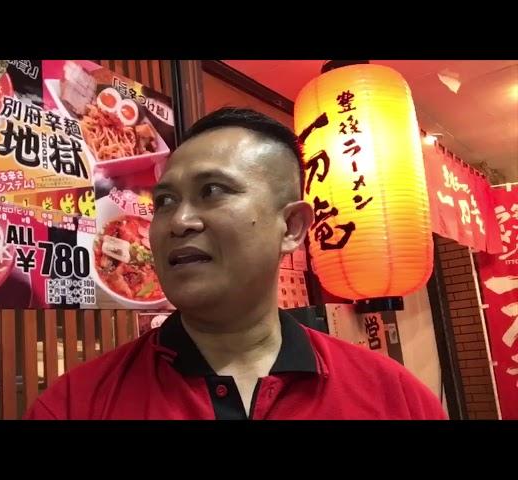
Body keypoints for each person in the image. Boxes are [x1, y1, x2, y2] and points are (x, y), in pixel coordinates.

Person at [24, 107, 447, 420]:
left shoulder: (396, 398)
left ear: (292, 227)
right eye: (166, 201)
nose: (180, 221)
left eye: (212, 191)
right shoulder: (75, 405)